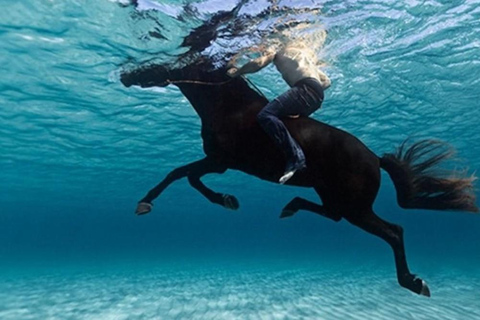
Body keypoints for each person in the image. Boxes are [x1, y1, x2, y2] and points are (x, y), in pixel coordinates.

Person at [227, 39, 331, 184]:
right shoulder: (303, 56)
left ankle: (296, 158)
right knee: (284, 121)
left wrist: (237, 72)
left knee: (265, 115)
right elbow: (326, 82)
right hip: (317, 97)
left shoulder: (277, 48)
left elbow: (258, 64)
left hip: (304, 89)